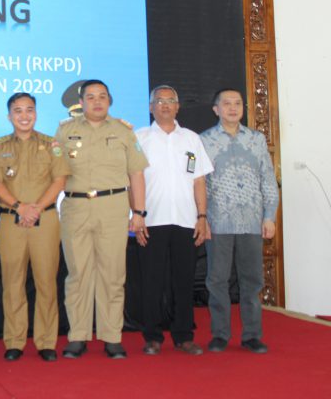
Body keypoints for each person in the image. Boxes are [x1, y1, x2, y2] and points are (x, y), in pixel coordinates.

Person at [55, 79, 148, 359]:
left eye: (102, 96)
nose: (97, 101)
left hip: (113, 206)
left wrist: (139, 212)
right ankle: (78, 336)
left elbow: (136, 173)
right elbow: (55, 172)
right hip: (76, 207)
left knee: (112, 274)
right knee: (78, 274)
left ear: (109, 101)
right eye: (91, 97)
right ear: (81, 102)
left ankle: (112, 336)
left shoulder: (123, 131)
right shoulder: (64, 131)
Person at [134, 85, 213, 356]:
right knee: (151, 282)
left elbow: (198, 180)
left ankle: (184, 336)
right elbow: (131, 181)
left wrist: (202, 216)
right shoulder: (139, 138)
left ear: (178, 107)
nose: (165, 105)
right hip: (151, 220)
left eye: (170, 101)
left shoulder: (191, 139)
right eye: (159, 101)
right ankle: (152, 337)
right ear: (150, 107)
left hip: (186, 220)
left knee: (184, 281)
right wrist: (135, 216)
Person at [0, 92, 69, 362]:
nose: (24, 116)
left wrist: (35, 209)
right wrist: (20, 207)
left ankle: (46, 341)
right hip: (11, 220)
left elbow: (59, 181)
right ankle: (15, 341)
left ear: (36, 113)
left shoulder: (51, 144)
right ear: (9, 116)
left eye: (29, 110)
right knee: (12, 283)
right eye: (18, 111)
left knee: (46, 282)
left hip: (45, 220)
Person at [200, 88, 279, 354]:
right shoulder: (203, 141)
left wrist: (269, 216)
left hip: (252, 222)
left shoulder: (256, 139)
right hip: (218, 221)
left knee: (252, 281)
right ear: (216, 109)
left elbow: (268, 180)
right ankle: (220, 334)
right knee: (217, 280)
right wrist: (201, 218)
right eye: (226, 103)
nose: (233, 108)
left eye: (237, 103)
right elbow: (198, 184)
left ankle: (252, 335)